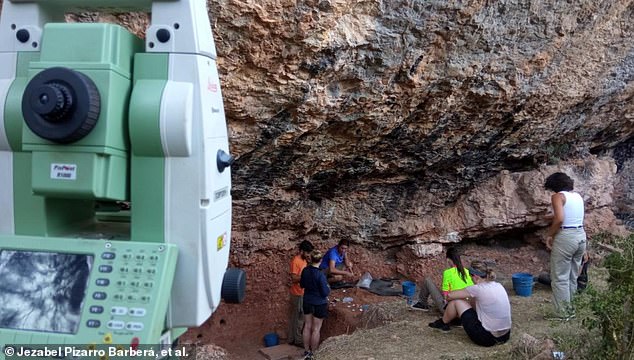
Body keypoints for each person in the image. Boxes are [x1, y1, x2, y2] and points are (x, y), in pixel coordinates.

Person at [428, 261, 511, 347]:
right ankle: (450, 320)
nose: (470, 278)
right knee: (467, 300)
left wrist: (460, 297)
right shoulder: (498, 285)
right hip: (505, 335)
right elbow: (475, 305)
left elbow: (449, 296)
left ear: (475, 277)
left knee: (456, 302)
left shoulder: (477, 288)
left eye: (470, 276)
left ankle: (443, 323)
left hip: (488, 338)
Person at [544, 172, 586, 319]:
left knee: (560, 277)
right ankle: (571, 309)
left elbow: (560, 219)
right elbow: (571, 215)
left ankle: (563, 314)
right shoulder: (577, 196)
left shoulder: (557, 197)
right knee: (572, 275)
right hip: (580, 235)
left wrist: (550, 234)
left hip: (566, 237)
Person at [411, 247, 474, 312]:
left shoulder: (447, 273)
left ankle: (422, 303)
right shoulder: (466, 271)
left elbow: (445, 295)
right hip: (467, 308)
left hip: (451, 310)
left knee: (427, 281)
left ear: (448, 260)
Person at [300, 250, 330, 360]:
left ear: (310, 259)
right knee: (316, 328)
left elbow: (302, 284)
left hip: (307, 300)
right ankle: (313, 353)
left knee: (307, 326)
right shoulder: (320, 274)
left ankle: (306, 351)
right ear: (321, 260)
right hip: (319, 303)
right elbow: (325, 292)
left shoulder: (305, 270)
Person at [288, 240, 314, 347]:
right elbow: (294, 278)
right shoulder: (296, 261)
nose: (308, 255)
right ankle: (297, 340)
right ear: (302, 251)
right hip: (297, 293)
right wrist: (306, 277)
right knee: (299, 318)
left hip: (302, 292)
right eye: (307, 253)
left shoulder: (303, 260)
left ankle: (292, 339)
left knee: (297, 317)